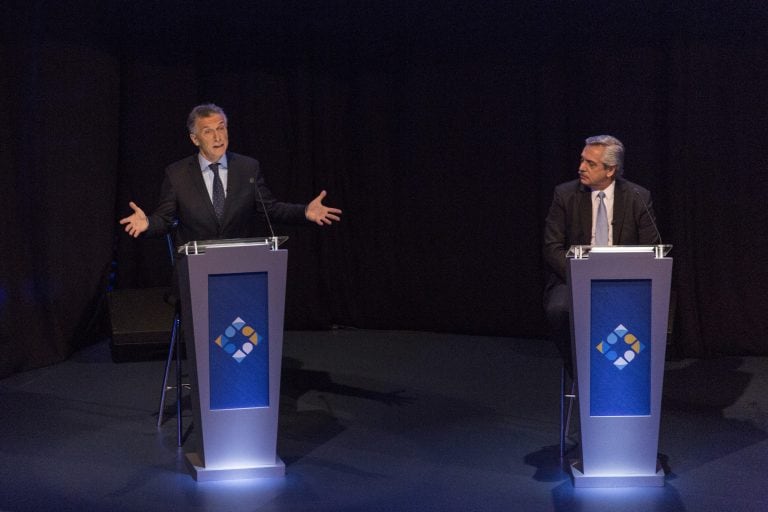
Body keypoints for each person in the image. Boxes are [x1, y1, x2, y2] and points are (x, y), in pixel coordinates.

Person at [120, 103, 341, 243]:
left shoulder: (248, 168)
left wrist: (304, 212)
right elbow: (165, 219)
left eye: (221, 127)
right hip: (196, 268)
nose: (218, 137)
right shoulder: (177, 174)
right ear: (195, 139)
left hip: (240, 265)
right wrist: (148, 223)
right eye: (208, 131)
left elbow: (270, 209)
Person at [542, 135, 660, 377]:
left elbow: (651, 247)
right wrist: (579, 276)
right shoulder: (565, 195)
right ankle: (578, 369)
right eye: (582, 160)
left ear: (611, 170)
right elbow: (551, 247)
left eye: (590, 164)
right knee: (558, 310)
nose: (581, 167)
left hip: (624, 280)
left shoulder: (638, 197)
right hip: (573, 277)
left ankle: (627, 373)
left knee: (646, 310)